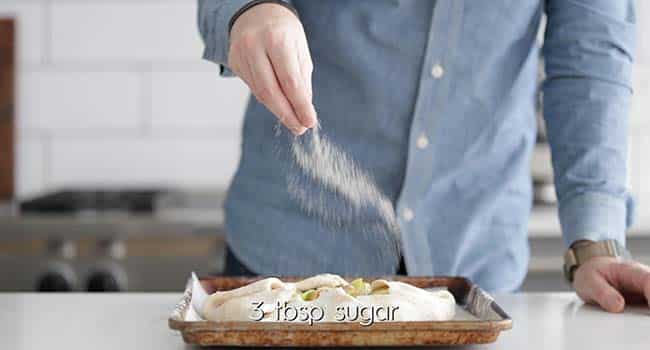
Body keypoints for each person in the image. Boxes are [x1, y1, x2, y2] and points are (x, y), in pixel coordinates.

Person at [198, 0, 650, 312]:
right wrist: (249, 9)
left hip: (473, 275)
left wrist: (595, 243)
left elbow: (591, 59)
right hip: (290, 260)